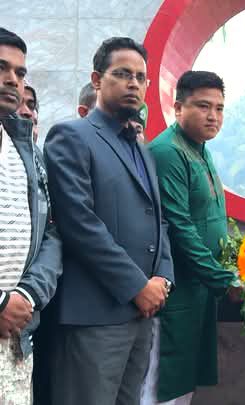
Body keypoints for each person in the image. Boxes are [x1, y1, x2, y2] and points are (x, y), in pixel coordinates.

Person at [44, 37, 174, 405]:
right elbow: (79, 224)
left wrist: (162, 279)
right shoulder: (72, 136)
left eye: (141, 77)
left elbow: (159, 221)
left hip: (142, 315)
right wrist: (137, 286)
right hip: (95, 316)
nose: (133, 83)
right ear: (97, 79)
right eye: (122, 74)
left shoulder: (140, 148)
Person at [142, 70, 243, 405]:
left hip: (200, 288)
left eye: (219, 108)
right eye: (203, 106)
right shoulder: (168, 151)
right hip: (175, 290)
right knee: (160, 387)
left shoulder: (199, 147)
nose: (213, 116)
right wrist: (223, 279)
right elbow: (179, 226)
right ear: (178, 108)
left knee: (183, 388)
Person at [0, 27, 62, 405]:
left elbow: (52, 234)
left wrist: (27, 294)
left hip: (15, 338)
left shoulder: (27, 150)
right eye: (1, 68)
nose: (13, 80)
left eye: (20, 72)